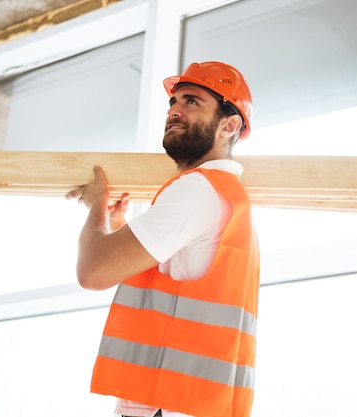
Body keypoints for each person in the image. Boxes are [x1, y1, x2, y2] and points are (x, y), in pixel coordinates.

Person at [66, 61, 260, 417]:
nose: (174, 110)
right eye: (174, 102)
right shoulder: (218, 195)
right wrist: (115, 226)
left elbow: (93, 271)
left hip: (166, 406)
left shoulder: (198, 190)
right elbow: (172, 290)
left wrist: (95, 203)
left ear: (229, 125)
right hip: (180, 404)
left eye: (192, 102)